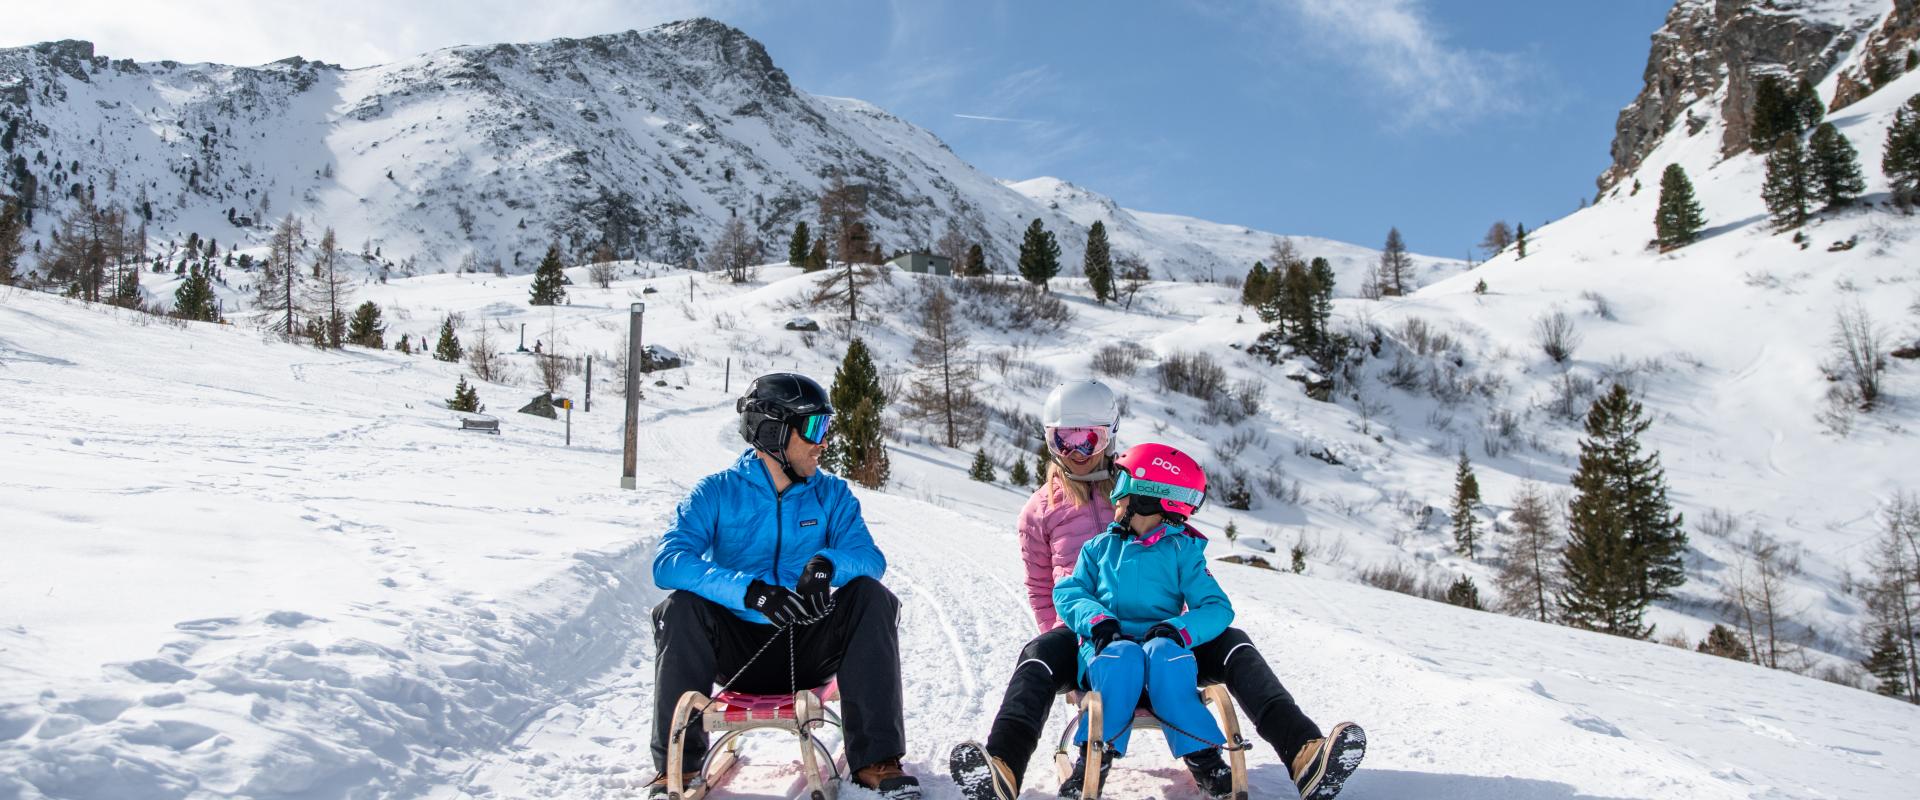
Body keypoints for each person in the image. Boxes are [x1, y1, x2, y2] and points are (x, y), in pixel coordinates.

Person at [951, 380, 1354, 800]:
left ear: (1110, 435)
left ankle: (1304, 753)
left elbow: (1186, 542)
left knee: (1235, 645)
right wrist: (1078, 646)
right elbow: (1041, 586)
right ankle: (1003, 767)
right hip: (1092, 633)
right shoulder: (1040, 510)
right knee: (1036, 656)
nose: (1077, 452)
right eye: (1063, 440)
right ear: (1049, 440)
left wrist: (1179, 627)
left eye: (1089, 439)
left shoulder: (1139, 483)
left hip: (1165, 636)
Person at [648, 373, 920, 800]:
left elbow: (870, 559)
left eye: (826, 428)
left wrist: (826, 565)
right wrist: (749, 591)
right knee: (680, 607)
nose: (823, 442)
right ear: (772, 430)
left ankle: (876, 759)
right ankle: (676, 768)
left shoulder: (832, 495)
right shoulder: (716, 493)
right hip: (738, 653)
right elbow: (669, 562)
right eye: (813, 428)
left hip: (808, 648)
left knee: (871, 596)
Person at [1053, 442, 1237, 798]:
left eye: (1122, 486)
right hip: (1108, 651)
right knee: (1122, 658)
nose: (1115, 497)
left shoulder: (1181, 551)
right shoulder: (1099, 548)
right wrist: (1099, 621)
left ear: (1149, 495)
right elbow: (1069, 593)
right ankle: (1093, 758)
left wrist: (1179, 630)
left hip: (1161, 655)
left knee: (1165, 655)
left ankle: (1204, 758)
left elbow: (1217, 607)